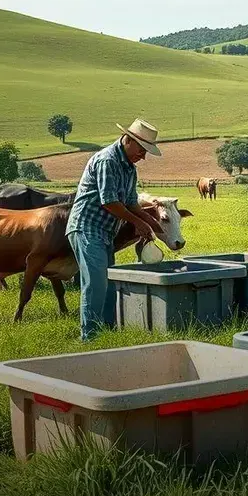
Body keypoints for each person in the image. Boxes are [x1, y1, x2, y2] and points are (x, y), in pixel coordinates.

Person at [66, 119, 163, 341]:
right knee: (96, 282)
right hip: (86, 227)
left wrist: (151, 222)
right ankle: (89, 336)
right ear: (128, 140)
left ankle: (107, 333)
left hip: (105, 232)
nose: (143, 156)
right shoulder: (107, 160)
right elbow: (109, 202)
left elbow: (130, 202)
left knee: (109, 283)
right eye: (142, 150)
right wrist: (139, 223)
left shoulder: (130, 170)